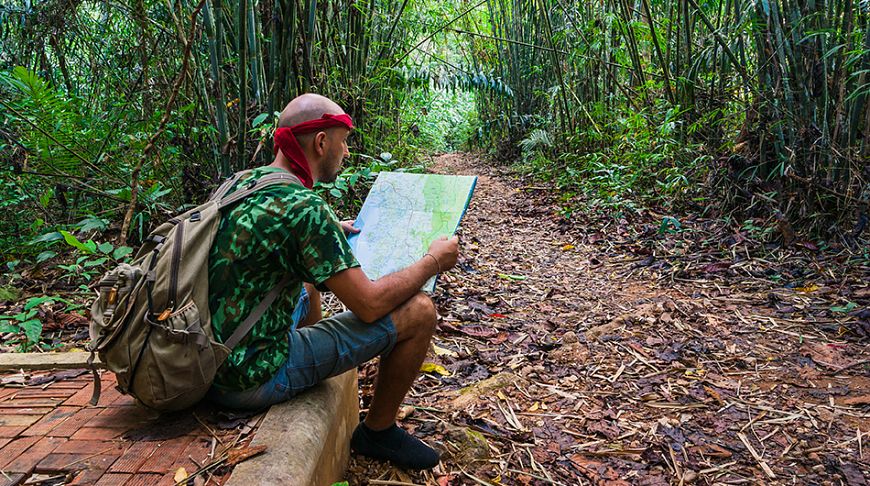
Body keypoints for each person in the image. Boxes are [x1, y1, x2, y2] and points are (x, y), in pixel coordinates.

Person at [206, 93, 459, 470]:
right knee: (420, 311)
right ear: (321, 142)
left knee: (307, 287)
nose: (345, 153)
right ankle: (377, 431)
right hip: (250, 378)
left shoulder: (244, 182)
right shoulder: (305, 209)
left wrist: (327, 234)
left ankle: (310, 357)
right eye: (343, 142)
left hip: (212, 355)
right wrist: (432, 262)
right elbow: (370, 304)